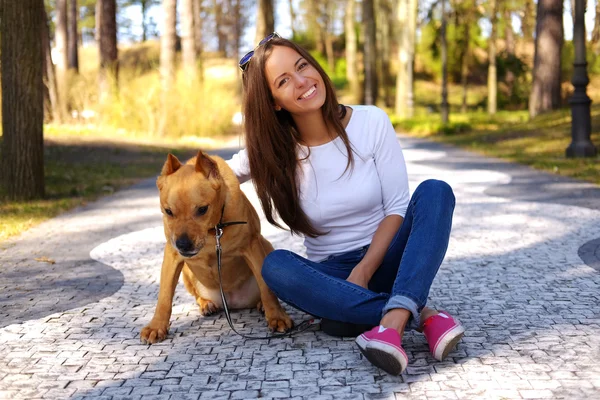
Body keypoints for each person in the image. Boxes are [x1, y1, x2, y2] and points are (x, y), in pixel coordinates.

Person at [226, 33, 464, 375]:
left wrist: (364, 270)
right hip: (331, 273)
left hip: (389, 257)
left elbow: (397, 207)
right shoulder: (272, 149)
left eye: (302, 66)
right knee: (276, 266)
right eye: (283, 80)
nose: (303, 81)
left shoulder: (371, 122)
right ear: (274, 101)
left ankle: (387, 320)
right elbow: (216, 177)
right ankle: (421, 315)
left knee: (435, 191)